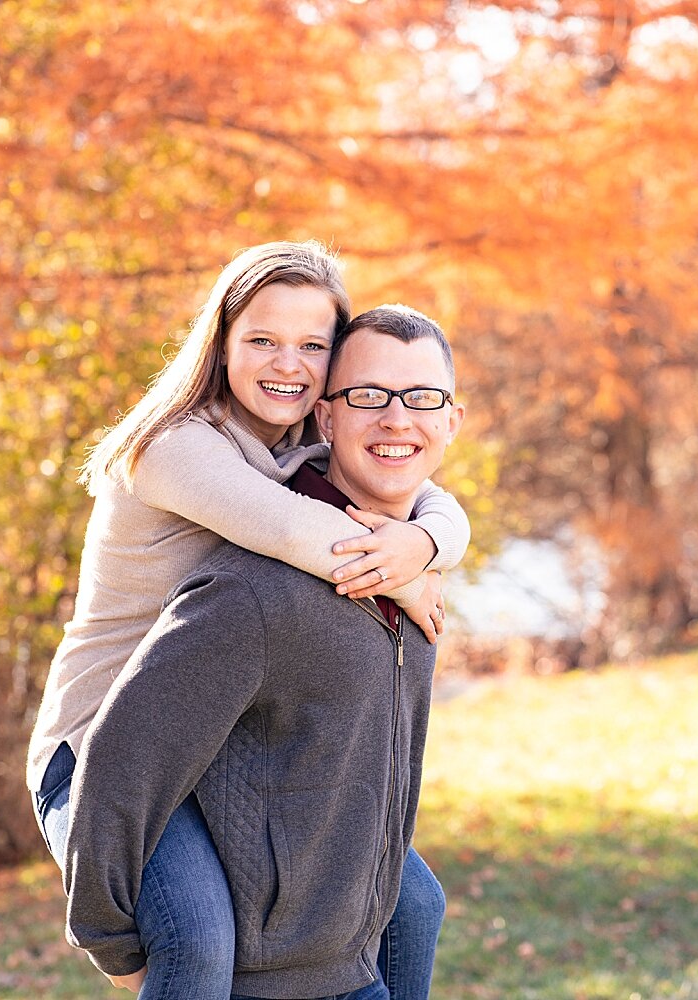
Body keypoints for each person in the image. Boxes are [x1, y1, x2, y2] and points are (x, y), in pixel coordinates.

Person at [28, 245, 465, 999]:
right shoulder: (175, 447)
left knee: (412, 903)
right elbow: (305, 536)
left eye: (312, 346)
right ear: (221, 344)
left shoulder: (297, 444)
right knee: (198, 938)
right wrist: (406, 565)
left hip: (213, 745)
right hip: (103, 750)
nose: (287, 363)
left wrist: (425, 543)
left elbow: (425, 488)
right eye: (262, 340)